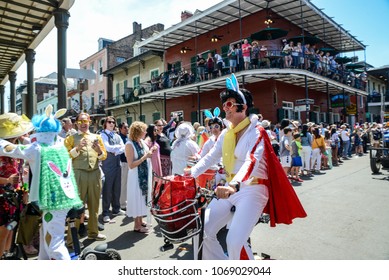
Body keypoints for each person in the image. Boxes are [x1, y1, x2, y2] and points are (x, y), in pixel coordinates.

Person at [185, 74, 306, 260]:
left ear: (243, 106)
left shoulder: (256, 131)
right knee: (203, 230)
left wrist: (234, 185)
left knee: (234, 241)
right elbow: (210, 157)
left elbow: (251, 160)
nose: (226, 108)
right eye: (225, 104)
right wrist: (190, 174)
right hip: (229, 188)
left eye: (230, 104)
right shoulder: (226, 133)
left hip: (252, 190)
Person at [0, 108, 83, 260]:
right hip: (63, 199)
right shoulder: (59, 145)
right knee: (46, 241)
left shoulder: (36, 149)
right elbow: (33, 142)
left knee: (55, 245)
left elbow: (10, 149)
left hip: (53, 204)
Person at [64, 112, 107, 242]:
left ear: (89, 122)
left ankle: (93, 232)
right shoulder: (71, 138)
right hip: (78, 173)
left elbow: (104, 156)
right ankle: (72, 238)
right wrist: (77, 148)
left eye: (86, 121)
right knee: (77, 206)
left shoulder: (97, 137)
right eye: (80, 121)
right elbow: (66, 156)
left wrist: (99, 151)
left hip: (94, 172)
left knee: (94, 204)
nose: (83, 124)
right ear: (76, 123)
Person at [125, 121, 156, 233]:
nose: (146, 132)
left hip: (144, 175)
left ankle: (140, 221)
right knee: (137, 197)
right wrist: (145, 157)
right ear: (138, 132)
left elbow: (147, 153)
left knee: (142, 198)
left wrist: (152, 150)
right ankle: (136, 226)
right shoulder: (129, 145)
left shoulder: (141, 142)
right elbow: (131, 165)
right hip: (135, 176)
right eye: (144, 130)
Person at [100, 116, 125, 223]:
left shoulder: (116, 135)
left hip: (117, 164)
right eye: (109, 122)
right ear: (105, 123)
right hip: (107, 165)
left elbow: (123, 147)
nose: (112, 123)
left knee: (117, 187)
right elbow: (107, 148)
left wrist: (116, 150)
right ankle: (105, 212)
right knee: (107, 189)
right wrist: (116, 149)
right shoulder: (102, 135)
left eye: (113, 122)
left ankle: (116, 208)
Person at [118, 122, 129, 210]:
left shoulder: (127, 137)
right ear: (120, 129)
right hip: (123, 163)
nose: (127, 129)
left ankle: (126, 201)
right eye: (125, 127)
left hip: (128, 163)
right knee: (123, 184)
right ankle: (122, 204)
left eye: (127, 127)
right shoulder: (120, 138)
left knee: (127, 184)